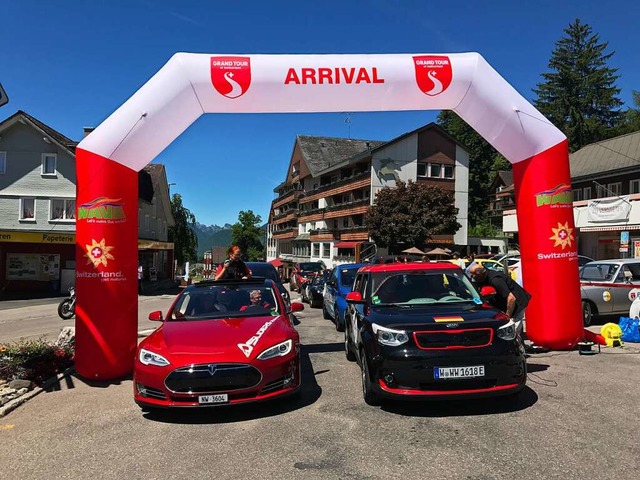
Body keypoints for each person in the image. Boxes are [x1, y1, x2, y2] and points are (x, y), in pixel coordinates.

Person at [469, 263, 531, 335]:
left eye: (473, 274)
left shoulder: (495, 280)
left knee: (510, 330)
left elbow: (511, 298)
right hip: (503, 304)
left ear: (481, 274)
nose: (472, 277)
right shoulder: (481, 278)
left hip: (517, 303)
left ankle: (514, 342)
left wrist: (507, 316)